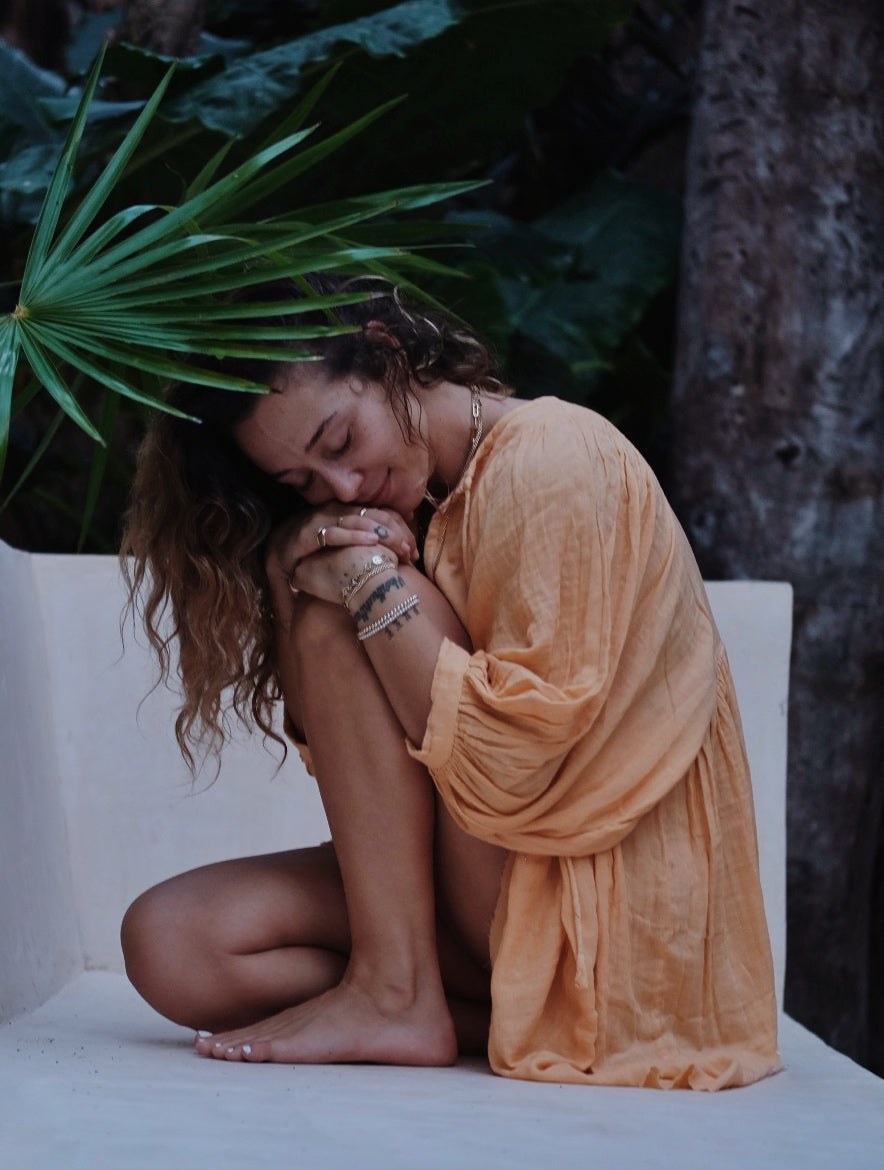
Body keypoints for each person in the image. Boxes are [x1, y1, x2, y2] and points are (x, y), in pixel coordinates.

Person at [120, 274, 779, 1088]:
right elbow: (356, 765)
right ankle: (441, 1004)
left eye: (339, 442)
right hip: (495, 891)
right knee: (173, 942)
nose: (343, 490)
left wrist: (359, 576)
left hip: (599, 907)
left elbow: (514, 770)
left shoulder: (552, 456)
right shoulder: (417, 507)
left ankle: (399, 993)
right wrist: (293, 569)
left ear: (387, 353)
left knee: (338, 609)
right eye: (305, 484)